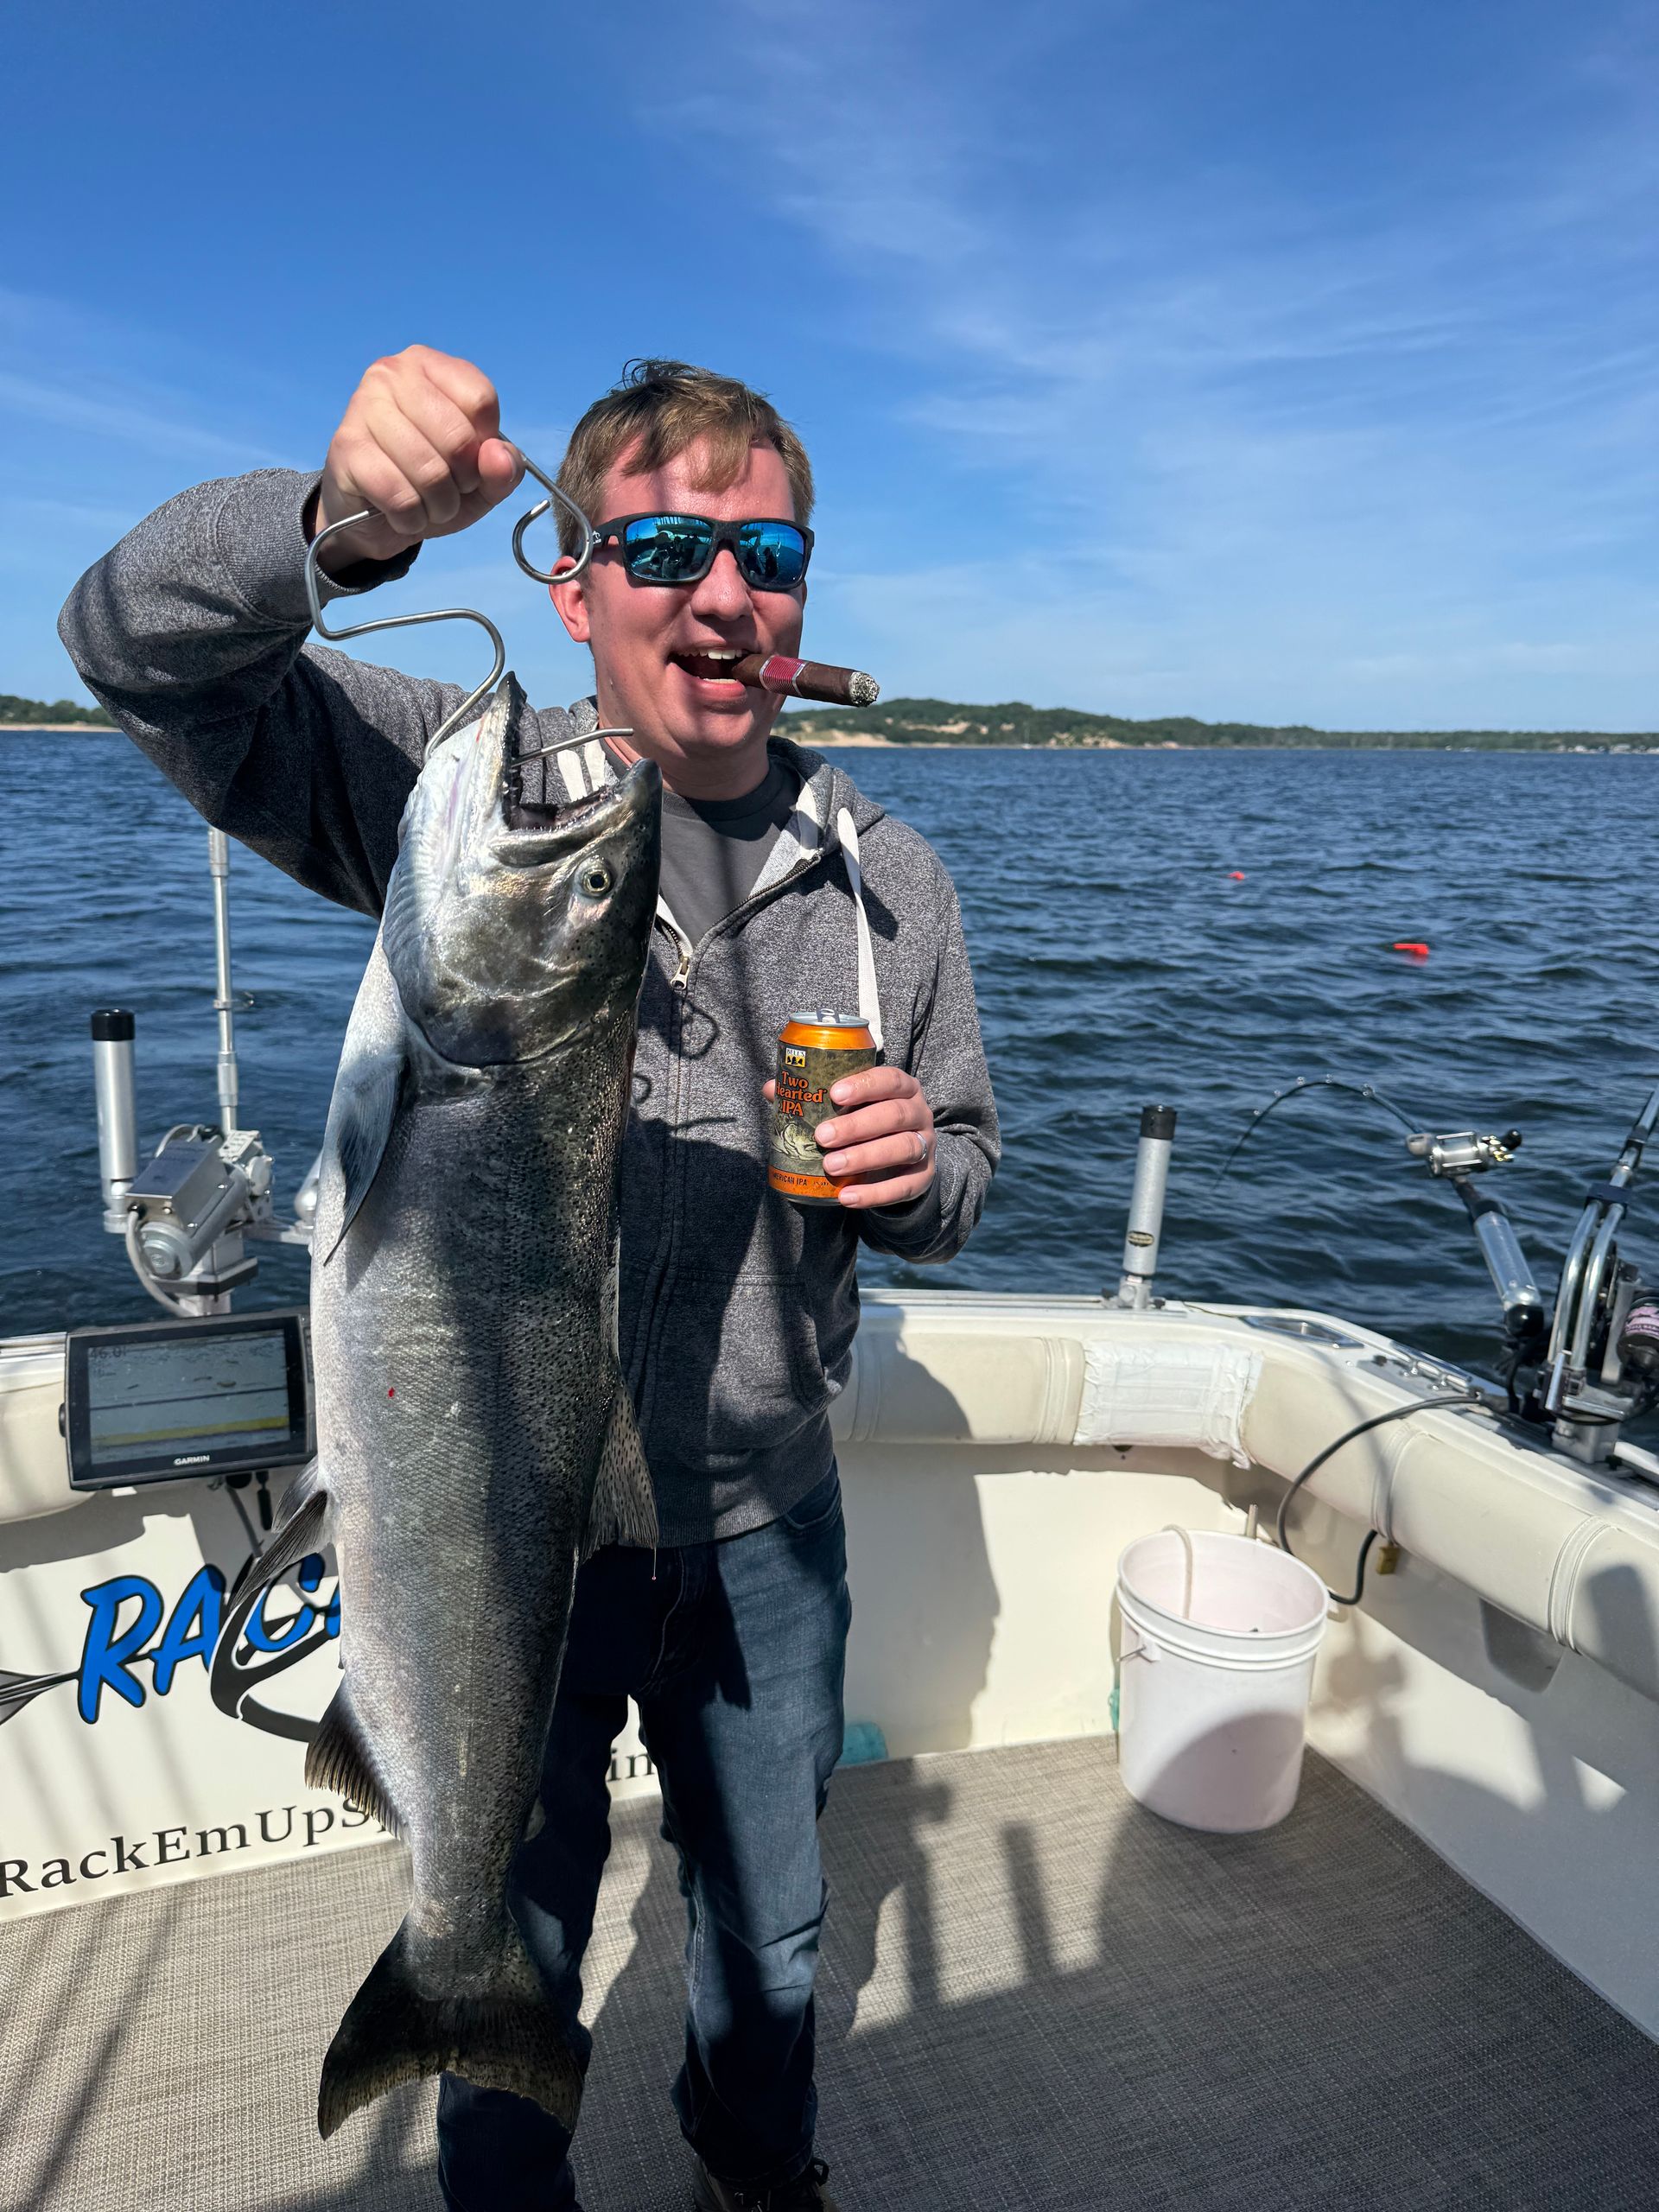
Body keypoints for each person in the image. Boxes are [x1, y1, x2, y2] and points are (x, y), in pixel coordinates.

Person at [59, 347, 1000, 2212]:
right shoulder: (467, 782)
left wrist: (920, 1178)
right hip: (505, 1535)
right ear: (569, 581)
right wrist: (330, 534)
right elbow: (134, 648)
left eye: (770, 554)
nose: (725, 597)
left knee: (778, 1931)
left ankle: (759, 2157)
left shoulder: (886, 876)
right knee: (510, 1911)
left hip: (761, 1527)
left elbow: (967, 1171)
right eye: (665, 544)